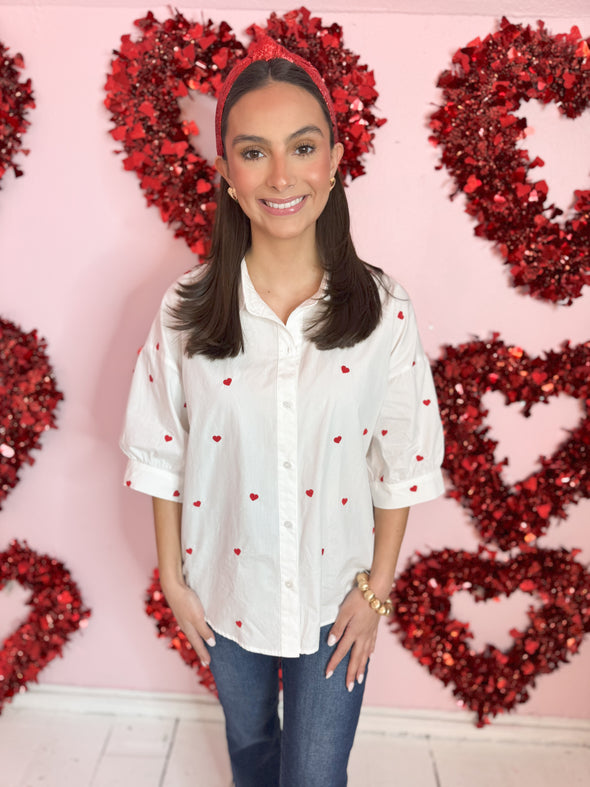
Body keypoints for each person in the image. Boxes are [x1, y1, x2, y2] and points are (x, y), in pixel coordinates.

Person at [120, 36, 444, 787]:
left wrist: (376, 594)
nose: (281, 174)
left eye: (302, 146)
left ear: (334, 158)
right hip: (222, 594)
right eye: (254, 152)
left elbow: (400, 466)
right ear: (227, 173)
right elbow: (162, 452)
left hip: (340, 601)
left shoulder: (384, 310)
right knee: (252, 750)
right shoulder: (186, 311)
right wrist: (173, 578)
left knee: (316, 774)